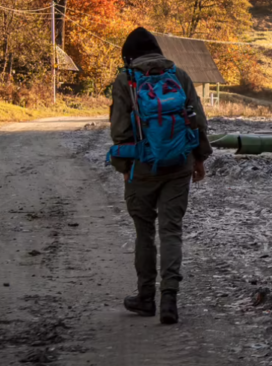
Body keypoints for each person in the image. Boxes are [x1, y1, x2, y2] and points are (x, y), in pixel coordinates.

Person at [109, 27, 212, 324]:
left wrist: (125, 168)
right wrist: (199, 159)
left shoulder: (125, 80)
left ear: (129, 56)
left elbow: (120, 130)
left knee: (144, 232)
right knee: (171, 230)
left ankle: (145, 298)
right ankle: (169, 299)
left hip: (141, 167)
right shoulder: (178, 75)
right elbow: (198, 121)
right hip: (179, 164)